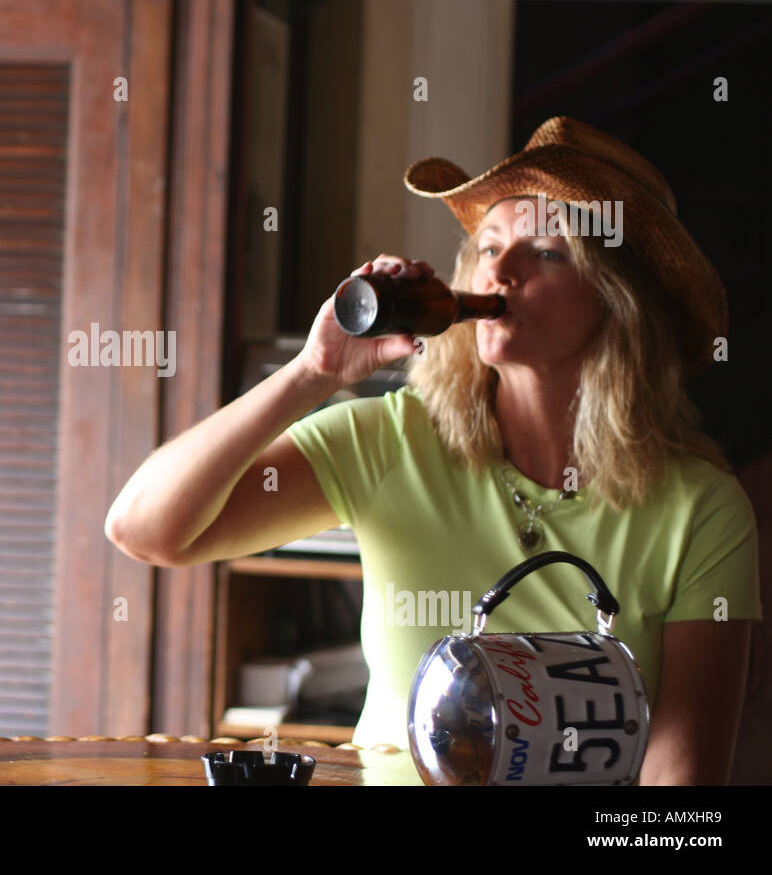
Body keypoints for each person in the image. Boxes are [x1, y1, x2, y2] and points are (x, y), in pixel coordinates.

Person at [106, 116, 760, 785]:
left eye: (546, 253)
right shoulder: (389, 440)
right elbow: (145, 530)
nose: (499, 270)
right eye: (488, 246)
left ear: (618, 301)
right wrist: (312, 373)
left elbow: (679, 801)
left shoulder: (700, 510)